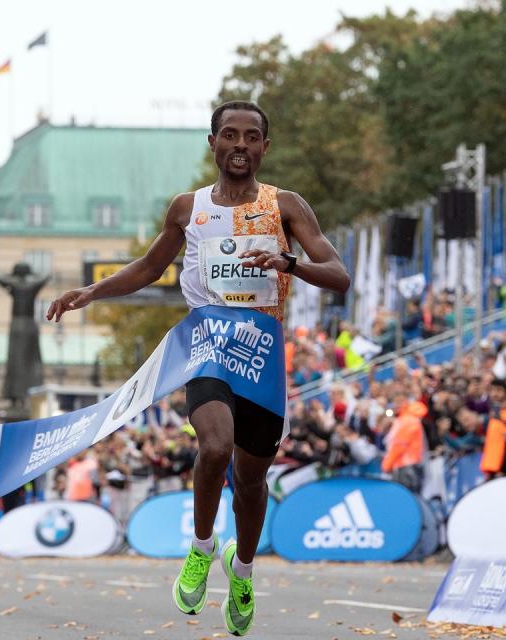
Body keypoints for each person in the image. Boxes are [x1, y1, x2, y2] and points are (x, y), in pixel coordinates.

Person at [46, 100, 349, 636]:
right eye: (229, 135)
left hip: (260, 349)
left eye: (251, 136)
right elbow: (148, 267)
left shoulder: (287, 206)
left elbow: (338, 275)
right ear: (212, 143)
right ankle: (203, 547)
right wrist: (92, 290)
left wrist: (287, 263)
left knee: (252, 482)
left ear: (263, 147)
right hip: (207, 340)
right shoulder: (188, 208)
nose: (239, 145)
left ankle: (244, 570)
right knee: (214, 447)